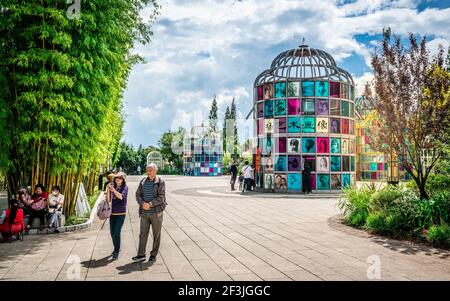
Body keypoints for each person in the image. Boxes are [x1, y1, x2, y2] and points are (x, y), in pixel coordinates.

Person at [133, 163, 167, 263]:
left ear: (156, 171)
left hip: (156, 213)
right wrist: (142, 203)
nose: (148, 172)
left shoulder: (160, 182)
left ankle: (153, 254)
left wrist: (150, 204)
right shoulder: (143, 181)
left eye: (150, 170)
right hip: (144, 213)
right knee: (142, 234)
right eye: (147, 170)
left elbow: (161, 197)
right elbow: (138, 194)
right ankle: (141, 255)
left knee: (156, 234)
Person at [108, 172, 128, 260]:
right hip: (112, 213)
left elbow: (121, 197)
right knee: (112, 232)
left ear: (123, 180)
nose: (117, 179)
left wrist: (113, 190)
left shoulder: (125, 188)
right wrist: (108, 190)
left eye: (120, 178)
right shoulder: (112, 187)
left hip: (121, 213)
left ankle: (116, 251)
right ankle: (116, 247)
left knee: (117, 232)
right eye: (116, 178)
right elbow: (108, 199)